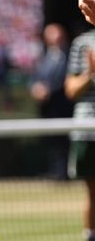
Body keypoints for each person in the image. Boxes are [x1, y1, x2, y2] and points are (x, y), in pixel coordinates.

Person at [64, 0, 95, 241]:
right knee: (92, 193)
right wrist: (90, 74)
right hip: (87, 130)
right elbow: (71, 89)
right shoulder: (82, 43)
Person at [29, 23, 73, 179]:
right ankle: (54, 171)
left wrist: (49, 90)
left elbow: (67, 80)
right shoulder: (43, 58)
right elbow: (34, 79)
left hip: (63, 108)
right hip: (47, 110)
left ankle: (63, 173)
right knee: (51, 142)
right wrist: (36, 88)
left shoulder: (70, 56)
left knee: (63, 142)